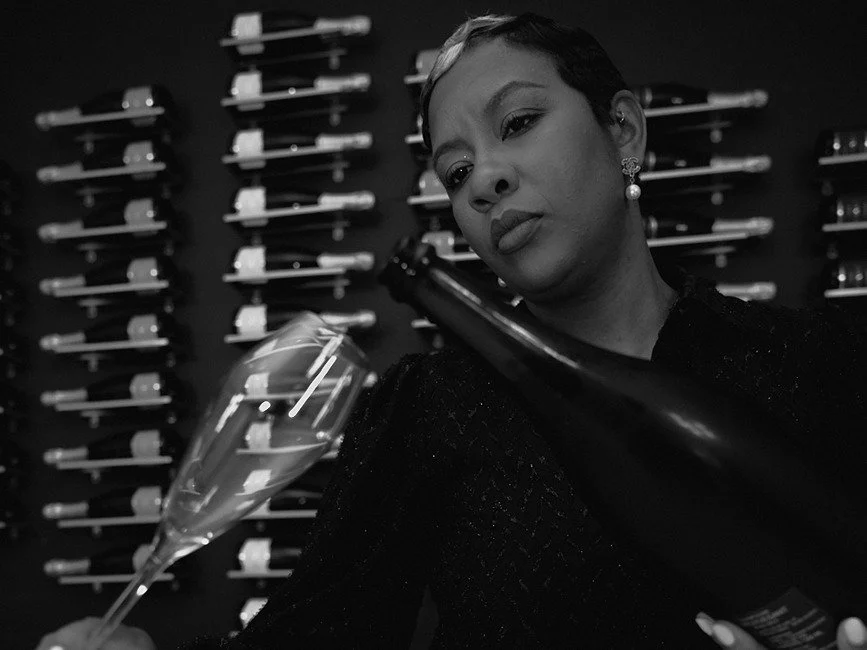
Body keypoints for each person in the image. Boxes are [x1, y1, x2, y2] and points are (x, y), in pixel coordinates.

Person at [38, 12, 867, 650]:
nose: (486, 182)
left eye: (516, 124)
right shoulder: (425, 410)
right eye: (456, 172)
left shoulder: (813, 361)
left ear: (623, 131)